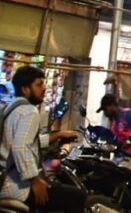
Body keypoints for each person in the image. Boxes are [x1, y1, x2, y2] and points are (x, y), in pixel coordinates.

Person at [0, 65, 82, 212]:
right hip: (19, 187)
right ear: (25, 89)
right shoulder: (29, 111)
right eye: (39, 85)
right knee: (77, 196)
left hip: (4, 183)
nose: (44, 89)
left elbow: (29, 141)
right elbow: (20, 147)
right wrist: (35, 180)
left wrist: (58, 135)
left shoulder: (10, 109)